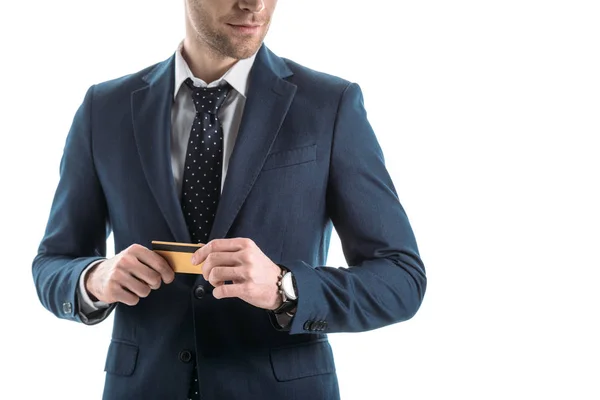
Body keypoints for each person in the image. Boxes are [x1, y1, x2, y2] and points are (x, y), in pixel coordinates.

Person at [32, 0, 427, 399]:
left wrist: (285, 287)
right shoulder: (105, 108)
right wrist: (93, 279)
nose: (254, 4)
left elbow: (401, 279)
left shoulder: (329, 105)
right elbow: (53, 261)